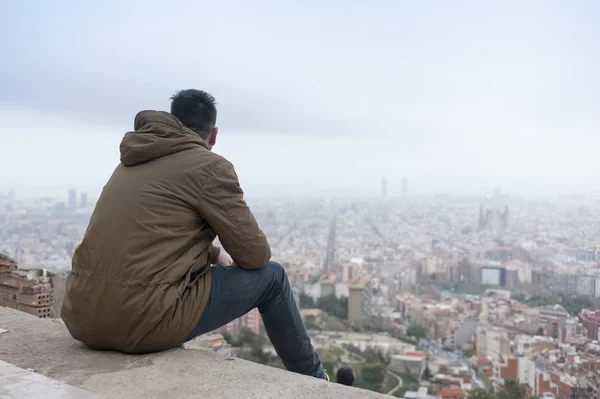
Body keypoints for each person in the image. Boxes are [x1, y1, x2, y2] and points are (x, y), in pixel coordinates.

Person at [61, 89, 326, 380]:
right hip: (140, 323)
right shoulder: (209, 167)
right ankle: (316, 380)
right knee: (273, 277)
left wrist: (213, 253)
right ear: (213, 136)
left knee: (178, 285)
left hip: (84, 318)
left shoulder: (129, 162)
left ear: (172, 122)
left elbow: (150, 237)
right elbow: (254, 255)